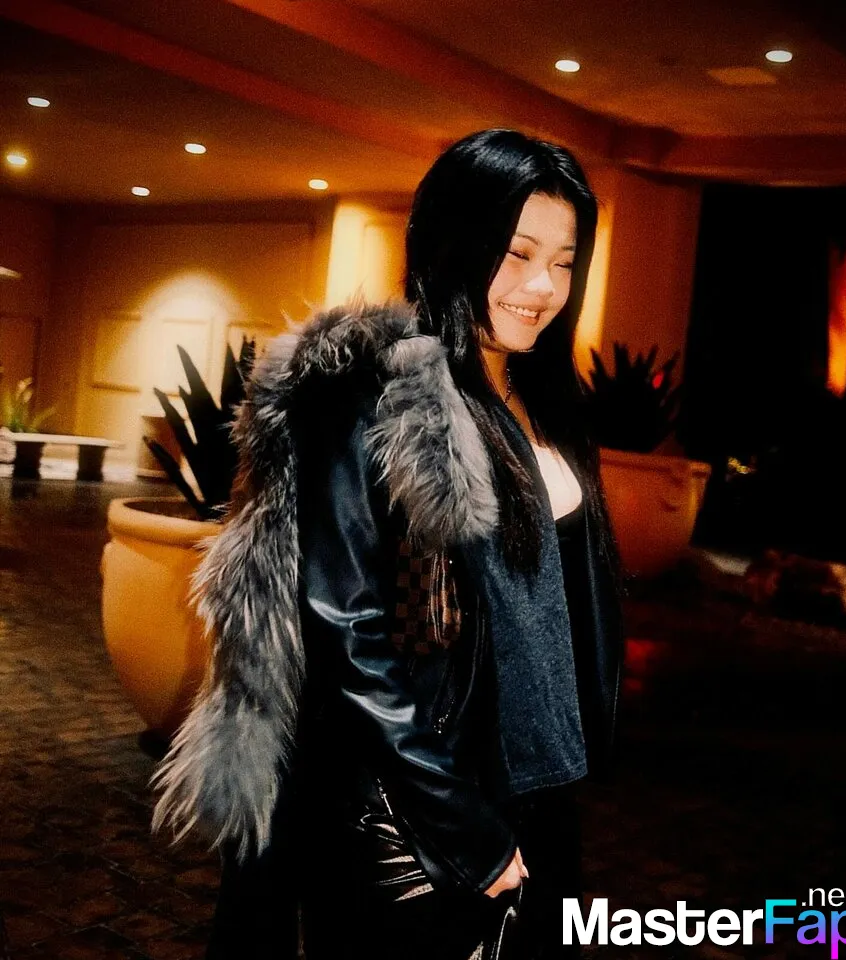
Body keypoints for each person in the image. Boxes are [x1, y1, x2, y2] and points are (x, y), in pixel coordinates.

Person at [151, 128, 624, 960]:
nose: (543, 287)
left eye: (563, 260)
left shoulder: (540, 396)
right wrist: (457, 824)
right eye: (516, 254)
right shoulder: (378, 392)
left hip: (537, 788)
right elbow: (346, 629)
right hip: (413, 806)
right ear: (455, 240)